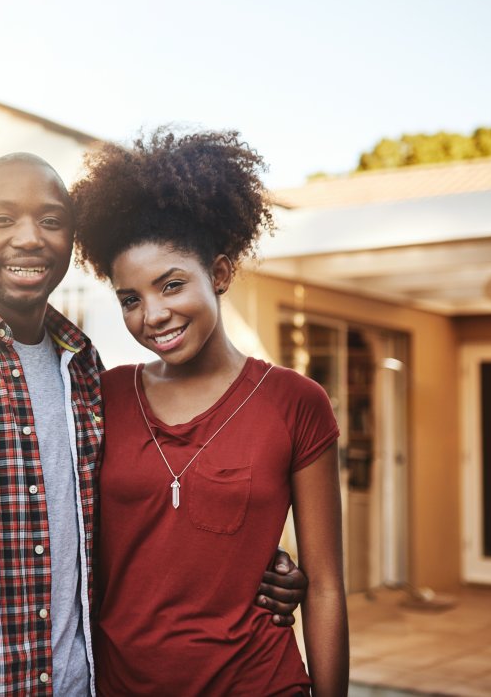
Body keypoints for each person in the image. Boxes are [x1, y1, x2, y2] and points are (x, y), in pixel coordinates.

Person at [0, 152, 307, 696]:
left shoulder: (85, 369)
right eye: (3, 219)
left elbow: (134, 525)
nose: (29, 238)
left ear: (71, 241)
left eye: (52, 221)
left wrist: (254, 565)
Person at [70, 129, 349, 696]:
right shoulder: (103, 397)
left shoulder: (296, 403)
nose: (154, 314)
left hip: (259, 682)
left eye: (171, 285)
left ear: (219, 275)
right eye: (131, 298)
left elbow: (324, 587)